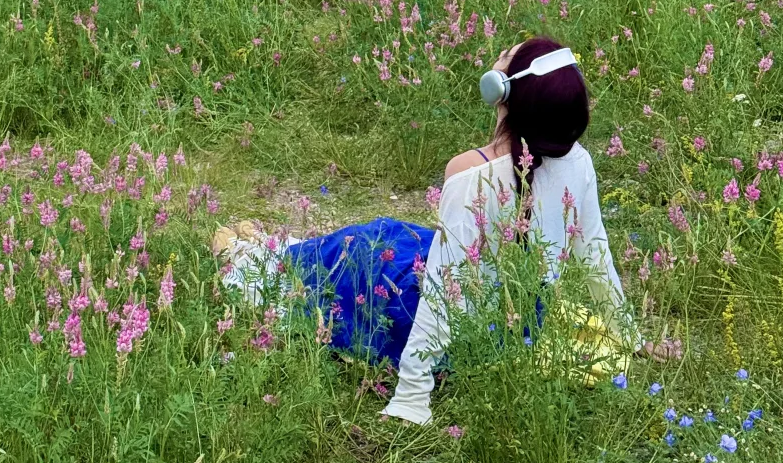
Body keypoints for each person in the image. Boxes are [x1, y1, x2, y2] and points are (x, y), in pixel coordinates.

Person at [214, 38, 633, 425]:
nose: (500, 54)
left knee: (365, 246)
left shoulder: (471, 172)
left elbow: (444, 286)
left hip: (459, 332)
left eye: (506, 53)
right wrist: (629, 335)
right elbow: (594, 253)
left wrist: (413, 393)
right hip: (519, 327)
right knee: (401, 236)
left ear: (500, 89)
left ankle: (253, 261)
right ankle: (271, 251)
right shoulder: (578, 162)